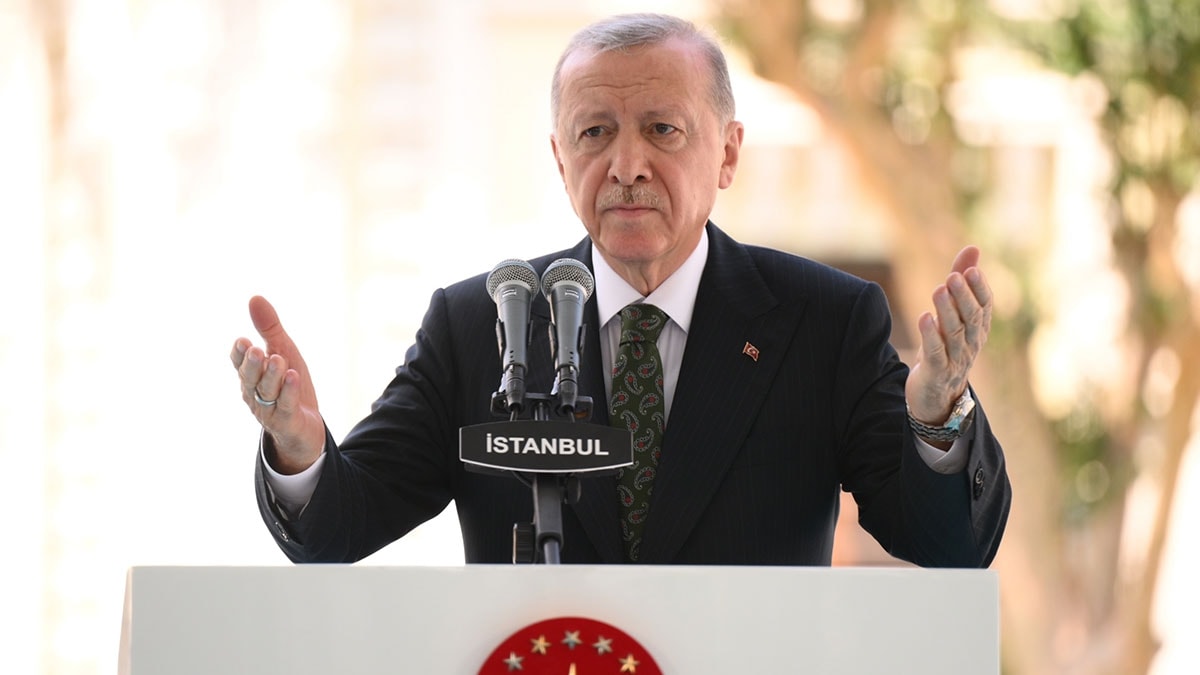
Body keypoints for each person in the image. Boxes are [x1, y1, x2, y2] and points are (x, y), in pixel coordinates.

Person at [231, 13, 1010, 566]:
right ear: (560, 157)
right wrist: (298, 449)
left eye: (663, 130)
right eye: (595, 132)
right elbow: (337, 527)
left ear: (728, 152)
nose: (627, 165)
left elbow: (947, 544)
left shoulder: (823, 321)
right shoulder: (479, 323)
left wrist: (936, 415)